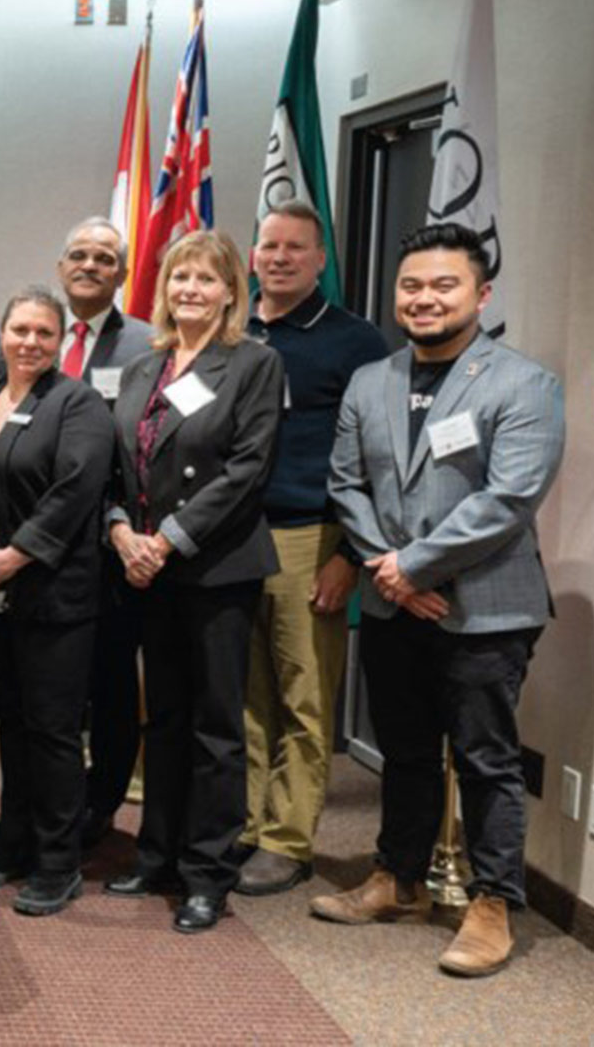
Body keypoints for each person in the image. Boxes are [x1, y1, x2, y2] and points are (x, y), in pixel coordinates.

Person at [314, 223, 563, 978]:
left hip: (485, 608)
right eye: (411, 286)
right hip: (395, 606)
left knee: (487, 760)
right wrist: (390, 572)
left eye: (443, 285)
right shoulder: (371, 381)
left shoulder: (524, 384)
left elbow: (509, 497)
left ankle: (494, 903)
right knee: (407, 752)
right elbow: (345, 484)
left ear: (481, 295)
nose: (424, 299)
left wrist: (415, 568)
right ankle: (400, 878)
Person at [102, 229, 284, 934]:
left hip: (214, 569)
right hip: (145, 568)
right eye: (180, 278)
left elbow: (247, 468)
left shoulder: (253, 364)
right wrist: (121, 531)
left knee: (215, 725)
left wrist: (168, 541)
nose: (190, 291)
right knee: (165, 718)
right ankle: (158, 855)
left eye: (206, 280)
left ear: (231, 291)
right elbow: (118, 465)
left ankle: (207, 873)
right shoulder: (144, 368)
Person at [0, 285, 115, 916]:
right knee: (11, 721)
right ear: (1, 336)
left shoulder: (78, 404)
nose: (30, 342)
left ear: (59, 339)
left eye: (43, 332)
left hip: (49, 592)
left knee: (54, 729)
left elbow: (74, 493)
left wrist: (15, 557)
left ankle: (59, 861)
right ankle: (13, 842)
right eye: (20, 330)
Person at [235, 201, 390, 896]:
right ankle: (242, 825)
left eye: (296, 248)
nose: (280, 257)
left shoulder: (355, 342)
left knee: (304, 694)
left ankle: (287, 839)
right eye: (269, 245)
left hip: (308, 534)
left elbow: (374, 455)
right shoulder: (231, 328)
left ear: (320, 259)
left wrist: (348, 554)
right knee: (244, 691)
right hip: (231, 535)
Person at [54, 217, 157, 848]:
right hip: (44, 543)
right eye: (79, 256)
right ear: (61, 266)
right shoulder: (34, 334)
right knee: (53, 686)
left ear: (121, 273)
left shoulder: (146, 344)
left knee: (113, 682)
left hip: (112, 541)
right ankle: (55, 798)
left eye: (105, 258)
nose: (90, 266)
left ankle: (102, 806)